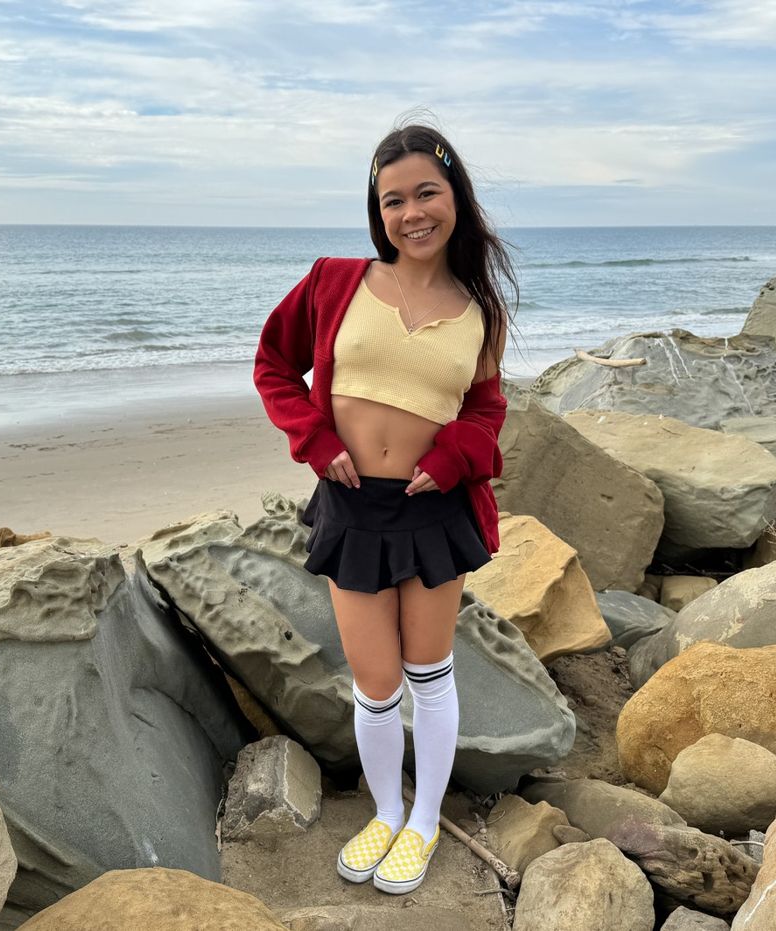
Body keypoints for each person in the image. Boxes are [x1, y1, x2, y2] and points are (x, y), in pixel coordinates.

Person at [253, 123, 516, 895]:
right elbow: (274, 364)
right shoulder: (335, 281)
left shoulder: (480, 310)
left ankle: (425, 819)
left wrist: (451, 457)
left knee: (429, 673)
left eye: (425, 193)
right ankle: (387, 810)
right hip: (352, 508)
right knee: (374, 684)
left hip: (432, 511)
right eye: (392, 200)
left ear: (455, 197)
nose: (411, 213)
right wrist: (312, 438)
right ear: (379, 212)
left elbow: (485, 408)